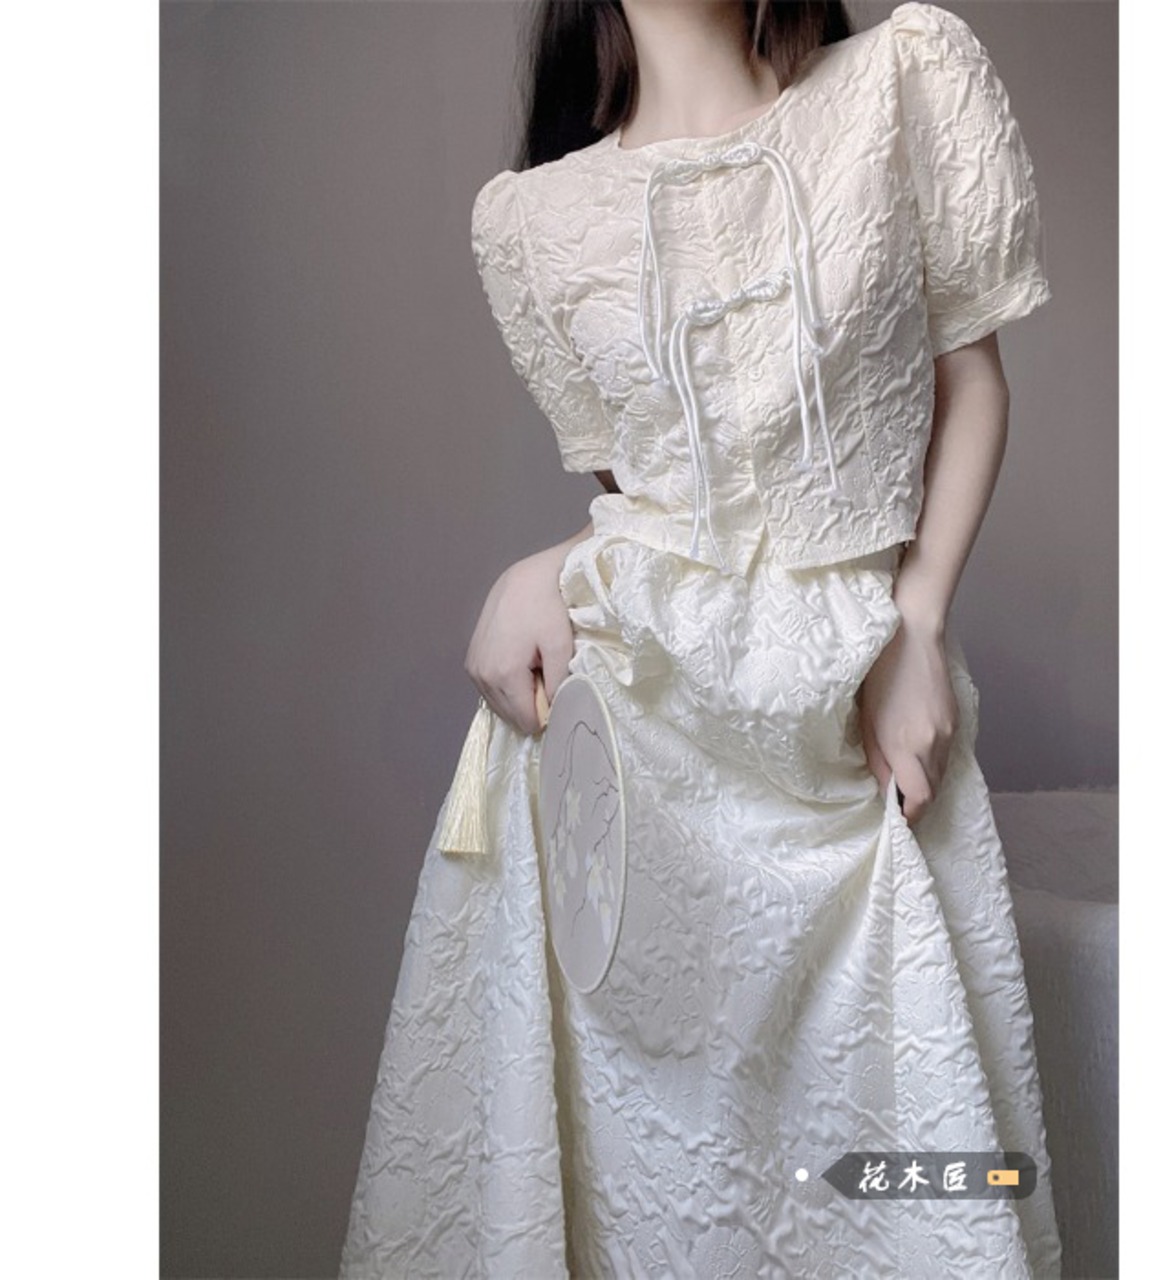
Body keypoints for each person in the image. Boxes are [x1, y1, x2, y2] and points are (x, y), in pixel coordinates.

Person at [340, 2, 1064, 1276]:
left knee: (911, 1185)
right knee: (648, 1208)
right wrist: (551, 567)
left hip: (856, 722)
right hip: (632, 757)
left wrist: (917, 617)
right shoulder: (533, 220)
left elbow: (970, 378)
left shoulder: (898, 84)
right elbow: (664, 498)